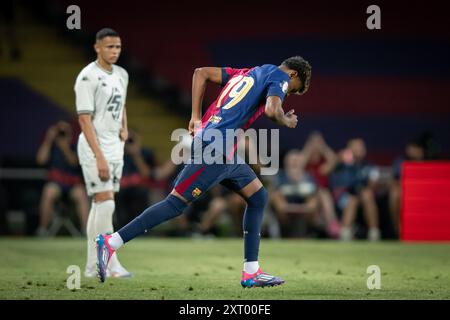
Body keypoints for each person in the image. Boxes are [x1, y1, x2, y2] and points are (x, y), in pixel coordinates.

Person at [96, 56, 312, 287]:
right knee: (175, 204)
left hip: (221, 148)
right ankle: (111, 242)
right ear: (292, 75)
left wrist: (195, 116)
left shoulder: (246, 73)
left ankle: (251, 271)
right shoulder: (280, 76)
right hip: (215, 149)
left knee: (258, 196)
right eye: (291, 91)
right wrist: (285, 120)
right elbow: (272, 110)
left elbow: (200, 72)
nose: (287, 94)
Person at [75, 28, 131, 278]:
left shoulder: (122, 74)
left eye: (118, 47)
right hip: (94, 145)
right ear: (97, 47)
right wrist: (98, 156)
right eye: (109, 47)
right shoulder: (88, 77)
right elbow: (84, 120)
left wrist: (125, 127)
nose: (114, 51)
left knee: (101, 204)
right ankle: (112, 262)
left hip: (115, 146)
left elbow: (122, 103)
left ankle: (91, 265)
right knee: (106, 201)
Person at [35, 120, 89, 236]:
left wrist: (65, 147)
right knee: (48, 192)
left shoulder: (75, 146)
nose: (62, 134)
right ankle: (43, 229)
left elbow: (74, 162)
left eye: (65, 132)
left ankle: (86, 230)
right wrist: (48, 140)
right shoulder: (51, 147)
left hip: (72, 184)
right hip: (56, 184)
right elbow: (40, 160)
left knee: (81, 194)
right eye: (60, 132)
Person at [330, 138, 381, 241]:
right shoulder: (341, 165)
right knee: (352, 200)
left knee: (367, 195)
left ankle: (374, 233)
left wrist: (368, 187)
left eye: (361, 146)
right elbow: (323, 171)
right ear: (348, 149)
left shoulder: (369, 166)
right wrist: (336, 159)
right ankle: (345, 233)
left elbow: (374, 185)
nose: (359, 149)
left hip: (364, 198)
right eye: (356, 146)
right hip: (342, 198)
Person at [270, 150, 320, 238]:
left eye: (297, 160)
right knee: (275, 196)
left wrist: (299, 180)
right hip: (284, 213)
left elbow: (313, 200)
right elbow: (278, 201)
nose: (295, 163)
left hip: (305, 211)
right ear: (286, 163)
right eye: (292, 160)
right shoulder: (279, 176)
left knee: (316, 197)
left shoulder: (309, 177)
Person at [302, 132, 340, 238]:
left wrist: (323, 147)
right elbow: (300, 163)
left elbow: (334, 160)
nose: (315, 145)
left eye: (318, 143)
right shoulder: (306, 163)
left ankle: (332, 225)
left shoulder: (324, 164)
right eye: (313, 143)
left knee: (323, 193)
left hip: (324, 194)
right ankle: (332, 223)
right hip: (308, 194)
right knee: (320, 194)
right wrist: (308, 148)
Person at [116, 128, 156, 229]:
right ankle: (121, 228)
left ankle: (143, 228)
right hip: (122, 188)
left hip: (140, 188)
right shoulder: (118, 153)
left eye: (132, 139)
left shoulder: (146, 152)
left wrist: (136, 154)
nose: (129, 141)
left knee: (141, 193)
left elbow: (146, 174)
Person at [389, 139, 425, 235]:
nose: (412, 151)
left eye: (416, 148)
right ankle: (398, 230)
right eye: (411, 148)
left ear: (421, 150)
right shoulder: (400, 162)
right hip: (405, 191)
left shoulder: (427, 162)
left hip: (422, 192)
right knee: (395, 194)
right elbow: (395, 181)